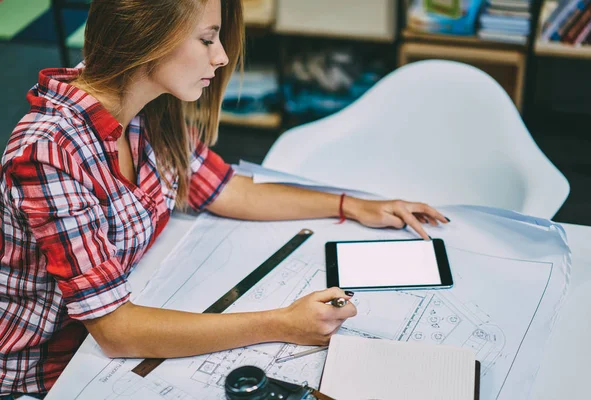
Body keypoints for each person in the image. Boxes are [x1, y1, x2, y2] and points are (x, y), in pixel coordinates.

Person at [0, 0, 448, 397]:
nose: (222, 56)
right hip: (48, 373)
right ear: (146, 39)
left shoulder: (149, 104)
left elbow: (223, 189)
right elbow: (116, 330)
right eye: (207, 39)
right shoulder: (47, 153)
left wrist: (350, 205)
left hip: (116, 330)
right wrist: (281, 324)